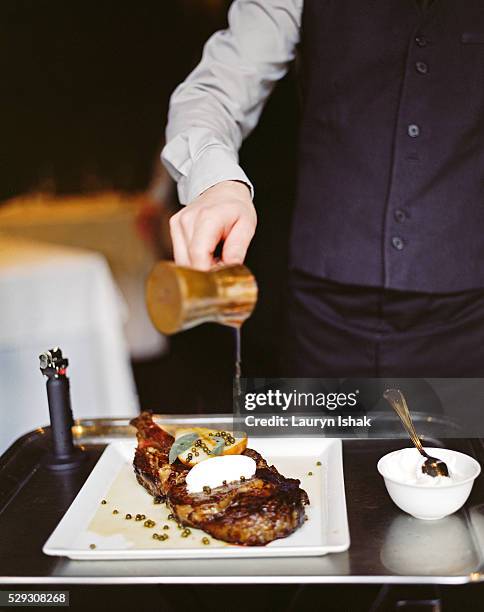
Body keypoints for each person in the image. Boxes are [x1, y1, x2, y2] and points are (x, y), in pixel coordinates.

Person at [161, 0, 484, 377]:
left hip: (470, 321)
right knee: (313, 436)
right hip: (321, 317)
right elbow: (215, 90)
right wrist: (215, 181)